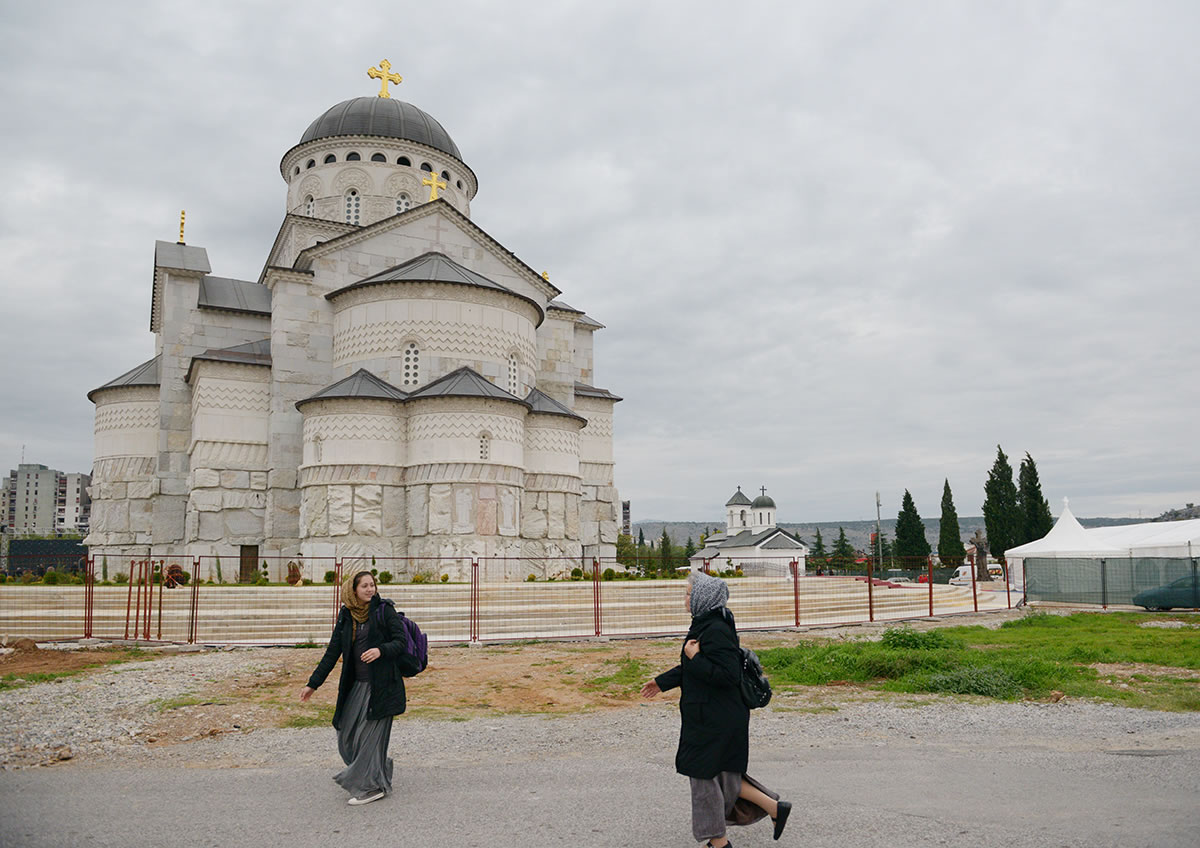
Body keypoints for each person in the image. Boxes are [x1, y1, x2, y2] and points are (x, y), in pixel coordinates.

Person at [641, 570, 792, 847]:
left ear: (703, 597)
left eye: (688, 594)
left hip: (715, 718)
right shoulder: (706, 624)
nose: (685, 599)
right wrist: (662, 682)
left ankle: (719, 843)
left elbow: (727, 675)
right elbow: (691, 667)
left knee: (704, 779)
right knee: (722, 776)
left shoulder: (716, 630)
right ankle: (773, 807)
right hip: (713, 715)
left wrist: (696, 657)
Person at [299, 570, 420, 805]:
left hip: (382, 687)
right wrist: (313, 684)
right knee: (345, 735)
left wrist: (380, 650)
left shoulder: (384, 610)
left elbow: (400, 642)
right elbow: (332, 653)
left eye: (372, 585)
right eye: (364, 586)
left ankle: (371, 788)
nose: (370, 589)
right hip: (356, 686)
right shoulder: (347, 616)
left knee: (370, 739)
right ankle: (377, 768)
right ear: (353, 590)